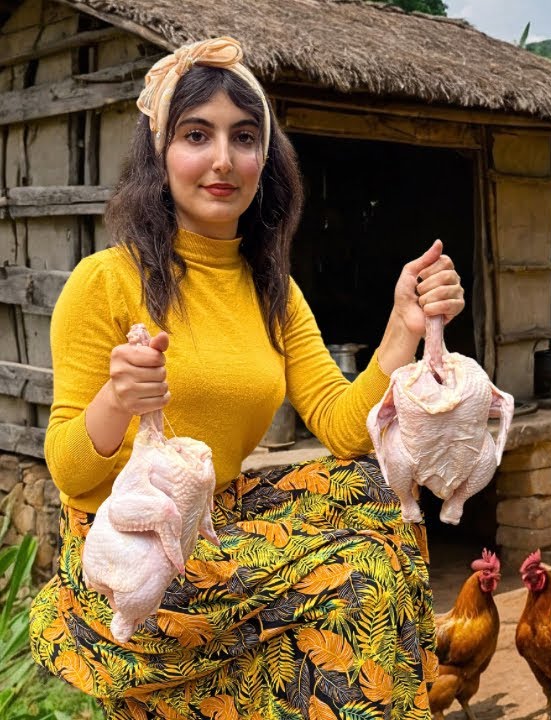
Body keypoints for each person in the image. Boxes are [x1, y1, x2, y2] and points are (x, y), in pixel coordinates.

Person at [28, 37, 463, 719]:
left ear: (268, 159)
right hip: (137, 551)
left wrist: (403, 327)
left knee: (381, 494)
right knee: (360, 578)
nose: (223, 160)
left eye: (244, 137)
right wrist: (118, 399)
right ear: (160, 154)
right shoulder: (105, 282)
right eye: (196, 135)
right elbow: (69, 475)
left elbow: (348, 432)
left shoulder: (273, 290)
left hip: (224, 522)